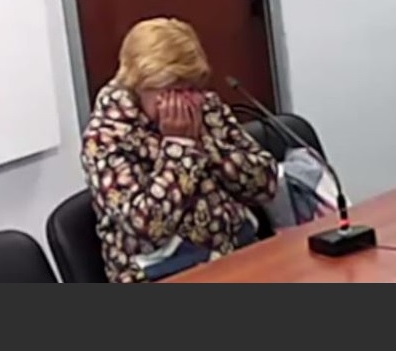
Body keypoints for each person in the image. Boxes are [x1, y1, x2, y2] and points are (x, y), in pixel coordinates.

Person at [80, 17, 279, 283]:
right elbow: (148, 227)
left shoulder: (205, 106)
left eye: (193, 88)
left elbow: (266, 184)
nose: (186, 101)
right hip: (161, 274)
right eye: (173, 90)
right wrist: (180, 148)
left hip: (235, 255)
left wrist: (206, 147)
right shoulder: (106, 137)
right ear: (140, 85)